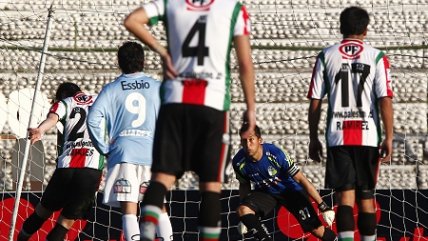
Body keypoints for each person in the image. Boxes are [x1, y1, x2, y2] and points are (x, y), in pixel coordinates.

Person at [123, 0, 257, 240]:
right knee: (211, 188)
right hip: (212, 105)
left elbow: (131, 20)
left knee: (161, 178)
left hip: (175, 101)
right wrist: (251, 109)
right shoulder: (232, 8)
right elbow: (245, 64)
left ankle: (145, 234)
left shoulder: (171, 3)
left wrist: (162, 51)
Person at [307, 6, 394, 241]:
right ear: (365, 30)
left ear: (341, 28)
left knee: (345, 197)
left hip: (337, 135)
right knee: (366, 196)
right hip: (367, 134)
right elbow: (384, 99)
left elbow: (315, 101)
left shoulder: (326, 55)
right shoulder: (376, 56)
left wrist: (313, 137)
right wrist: (389, 137)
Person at [86, 41, 173, 241]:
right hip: (152, 154)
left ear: (119, 62)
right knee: (158, 206)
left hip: (123, 153)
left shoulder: (111, 89)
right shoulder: (157, 87)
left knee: (129, 208)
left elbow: (93, 119)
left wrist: (103, 147)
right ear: (143, 61)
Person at [18, 83, 103, 241]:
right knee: (64, 224)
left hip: (66, 169)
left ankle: (21, 238)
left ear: (63, 95)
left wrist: (40, 130)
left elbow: (52, 118)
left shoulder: (65, 103)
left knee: (40, 214)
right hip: (90, 172)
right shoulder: (100, 99)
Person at [232, 124, 337, 241]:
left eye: (251, 139)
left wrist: (323, 206)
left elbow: (301, 179)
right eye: (244, 140)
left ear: (259, 140)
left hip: (291, 191)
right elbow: (244, 185)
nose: (248, 144)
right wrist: (246, 219)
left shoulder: (275, 154)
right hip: (267, 193)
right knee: (243, 210)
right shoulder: (238, 162)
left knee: (317, 231)